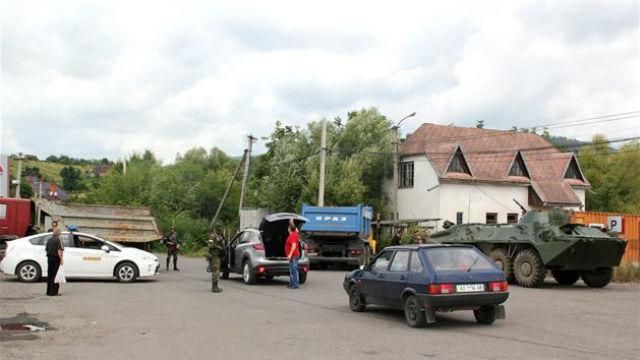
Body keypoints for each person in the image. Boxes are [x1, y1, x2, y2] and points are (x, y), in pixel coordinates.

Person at [45, 227, 64, 296]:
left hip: (49, 258)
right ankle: (54, 292)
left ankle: (48, 291)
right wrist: (61, 259)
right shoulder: (59, 239)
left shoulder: (49, 239)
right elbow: (59, 250)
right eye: (60, 231)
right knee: (55, 275)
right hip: (56, 258)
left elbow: (46, 249)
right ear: (58, 232)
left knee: (50, 275)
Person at [285, 224, 301, 289]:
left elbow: (294, 245)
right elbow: (296, 229)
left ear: (290, 229)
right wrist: (291, 222)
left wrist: (290, 254)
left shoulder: (292, 235)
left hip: (294, 255)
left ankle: (295, 285)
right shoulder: (295, 233)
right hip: (294, 255)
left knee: (294, 270)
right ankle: (292, 283)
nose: (288, 228)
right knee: (292, 270)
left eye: (288, 227)